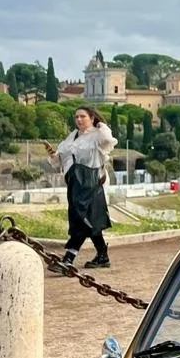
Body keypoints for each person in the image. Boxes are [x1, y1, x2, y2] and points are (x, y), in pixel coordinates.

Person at [45, 106, 116, 271]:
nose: (78, 119)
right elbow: (61, 158)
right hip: (76, 184)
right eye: (76, 117)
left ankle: (69, 258)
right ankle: (102, 256)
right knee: (88, 219)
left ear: (92, 118)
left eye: (82, 116)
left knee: (81, 218)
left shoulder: (98, 135)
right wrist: (53, 154)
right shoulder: (73, 136)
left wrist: (101, 125)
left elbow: (108, 140)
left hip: (93, 183)